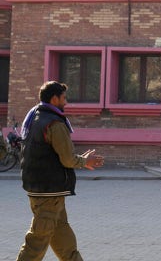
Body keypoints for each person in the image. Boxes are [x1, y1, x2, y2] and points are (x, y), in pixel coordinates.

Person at [16, 81, 104, 261]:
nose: (66, 102)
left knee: (64, 241)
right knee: (37, 242)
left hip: (43, 190)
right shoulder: (54, 123)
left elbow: (57, 154)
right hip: (48, 193)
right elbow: (67, 159)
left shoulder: (35, 117)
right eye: (64, 98)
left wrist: (80, 160)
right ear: (54, 99)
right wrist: (84, 161)